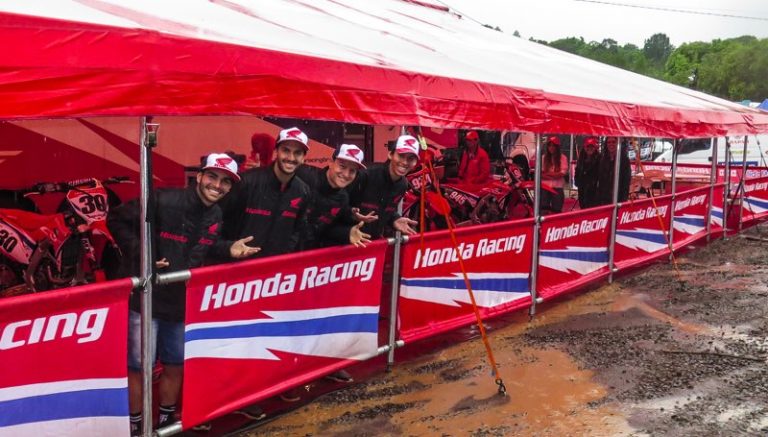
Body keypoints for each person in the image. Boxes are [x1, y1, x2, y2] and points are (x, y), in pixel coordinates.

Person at [108, 153, 259, 436]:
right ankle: (136, 426)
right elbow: (115, 219)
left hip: (180, 303)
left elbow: (204, 246)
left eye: (225, 181)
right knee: (139, 367)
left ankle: (167, 422)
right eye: (212, 176)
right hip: (145, 300)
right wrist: (144, 256)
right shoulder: (164, 199)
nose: (217, 185)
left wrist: (228, 249)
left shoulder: (216, 214)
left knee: (176, 364)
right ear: (199, 176)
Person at [218, 127, 312, 258]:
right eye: (286, 150)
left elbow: (297, 230)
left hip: (275, 267)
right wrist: (227, 247)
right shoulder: (247, 182)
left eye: (297, 153)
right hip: (239, 263)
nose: (291, 158)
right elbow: (218, 219)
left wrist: (287, 252)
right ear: (276, 151)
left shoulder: (303, 191)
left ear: (303, 158)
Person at [296, 143, 371, 250]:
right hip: (280, 253)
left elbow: (325, 230)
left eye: (352, 171)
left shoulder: (343, 198)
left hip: (308, 255)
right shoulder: (304, 176)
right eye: (342, 166)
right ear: (331, 163)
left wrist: (346, 233)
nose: (346, 174)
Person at [346, 134, 420, 239]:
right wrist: (350, 217)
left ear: (415, 162)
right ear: (390, 154)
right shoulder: (365, 175)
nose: (404, 162)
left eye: (411, 159)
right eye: (401, 156)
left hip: (373, 242)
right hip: (347, 240)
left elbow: (386, 209)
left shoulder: (402, 185)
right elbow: (338, 203)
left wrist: (394, 219)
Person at [597, 136, 632, 204]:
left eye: (613, 142)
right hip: (604, 199)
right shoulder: (603, 160)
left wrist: (623, 200)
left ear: (617, 143)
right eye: (609, 142)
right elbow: (601, 180)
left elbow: (626, 181)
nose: (611, 144)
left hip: (619, 198)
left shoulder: (624, 160)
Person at [540, 135, 568, 213]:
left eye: (553, 145)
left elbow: (561, 174)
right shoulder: (543, 158)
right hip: (545, 187)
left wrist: (547, 174)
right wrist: (554, 175)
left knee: (557, 210)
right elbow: (540, 175)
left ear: (557, 147)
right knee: (544, 210)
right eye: (549, 145)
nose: (551, 147)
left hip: (557, 187)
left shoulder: (563, 158)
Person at [575, 137, 601, 209]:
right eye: (588, 146)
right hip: (582, 189)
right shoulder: (581, 159)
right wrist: (578, 182)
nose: (589, 148)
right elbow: (577, 171)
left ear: (595, 147)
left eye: (592, 146)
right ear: (584, 147)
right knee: (583, 208)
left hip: (594, 191)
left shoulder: (599, 159)